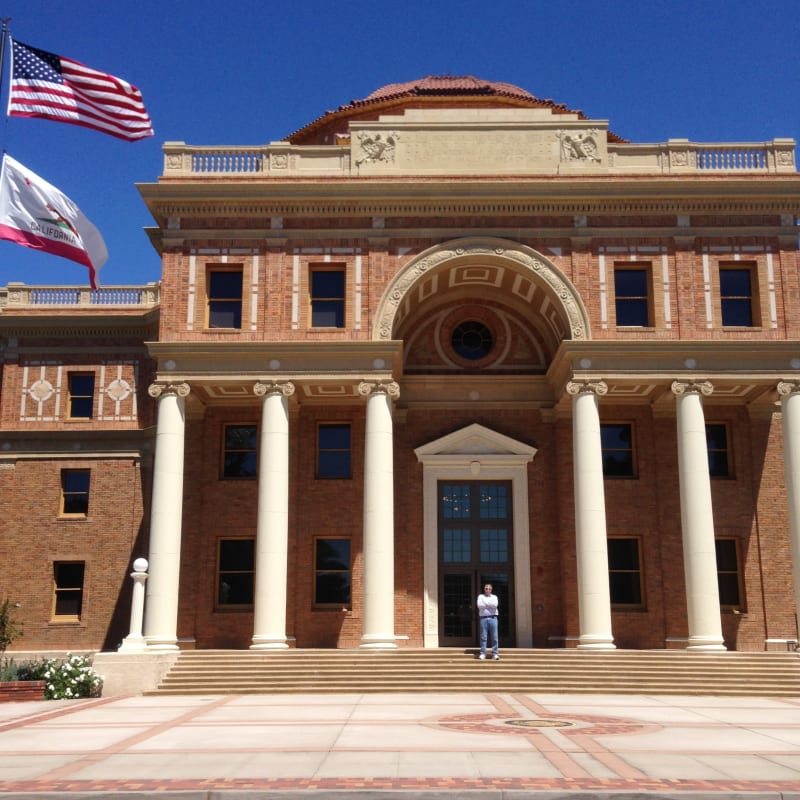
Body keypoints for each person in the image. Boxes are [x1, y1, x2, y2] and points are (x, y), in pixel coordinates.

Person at [476, 583, 499, 660]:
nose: (488, 590)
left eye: (489, 588)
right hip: (483, 618)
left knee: (494, 637)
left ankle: (495, 654)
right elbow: (480, 605)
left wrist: (485, 603)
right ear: (484, 589)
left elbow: (495, 605)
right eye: (486, 588)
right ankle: (483, 653)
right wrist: (489, 604)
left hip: (493, 618)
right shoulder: (480, 596)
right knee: (483, 637)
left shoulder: (494, 597)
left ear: (491, 589)